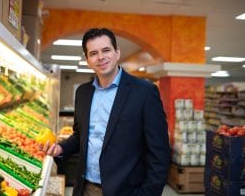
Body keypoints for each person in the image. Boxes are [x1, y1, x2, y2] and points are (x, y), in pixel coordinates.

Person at [43, 28, 171, 196]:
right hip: (85, 188)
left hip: (127, 191)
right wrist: (61, 148)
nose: (101, 57)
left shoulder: (144, 92)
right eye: (94, 53)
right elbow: (80, 135)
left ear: (117, 53)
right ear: (87, 60)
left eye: (106, 50)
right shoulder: (83, 93)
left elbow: (160, 153)